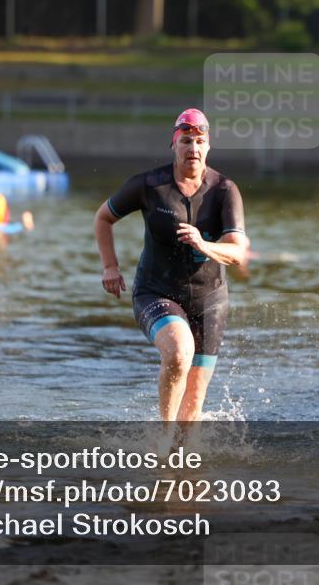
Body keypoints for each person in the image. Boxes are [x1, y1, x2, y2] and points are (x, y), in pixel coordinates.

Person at [93, 108, 249, 424]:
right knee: (179, 352)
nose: (193, 148)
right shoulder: (149, 186)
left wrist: (204, 245)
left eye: (199, 141)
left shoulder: (224, 190)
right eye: (186, 141)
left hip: (210, 301)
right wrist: (110, 266)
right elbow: (103, 218)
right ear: (174, 146)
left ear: (208, 147)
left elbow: (238, 252)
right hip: (156, 292)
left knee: (193, 404)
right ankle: (163, 437)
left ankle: (179, 461)